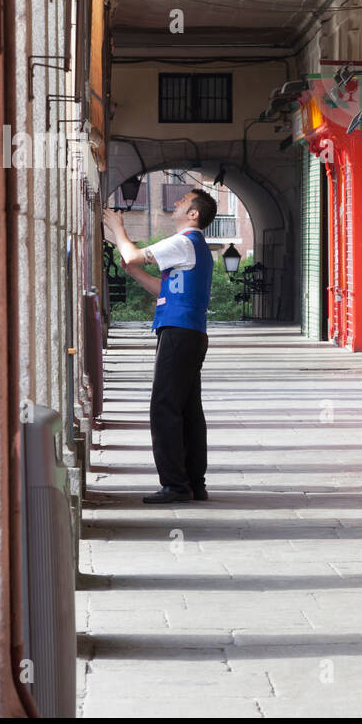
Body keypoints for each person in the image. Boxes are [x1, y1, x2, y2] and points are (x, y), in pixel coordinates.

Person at [103, 188, 217, 504]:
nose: (177, 202)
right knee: (187, 409)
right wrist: (135, 271)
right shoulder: (192, 247)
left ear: (194, 214)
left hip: (179, 333)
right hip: (188, 332)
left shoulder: (184, 241)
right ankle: (194, 482)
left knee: (164, 407)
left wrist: (118, 228)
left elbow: (132, 254)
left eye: (184, 201)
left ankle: (176, 486)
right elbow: (164, 289)